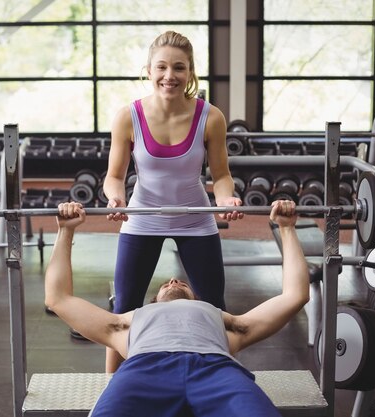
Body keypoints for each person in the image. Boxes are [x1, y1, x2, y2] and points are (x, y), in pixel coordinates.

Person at [44, 201, 309, 417]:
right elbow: (57, 299)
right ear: (154, 303)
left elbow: (295, 296)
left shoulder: (225, 322)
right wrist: (65, 230)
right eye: (166, 284)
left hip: (216, 370)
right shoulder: (126, 323)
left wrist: (287, 229)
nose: (173, 281)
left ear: (196, 300)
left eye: (180, 282)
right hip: (144, 370)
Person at [103, 30, 243, 372]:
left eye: (179, 68)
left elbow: (221, 175)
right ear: (148, 71)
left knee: (214, 307)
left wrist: (227, 198)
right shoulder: (127, 116)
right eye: (161, 67)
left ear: (190, 72)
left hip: (195, 218)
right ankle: (110, 386)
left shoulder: (210, 117)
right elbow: (114, 175)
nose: (170, 76)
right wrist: (116, 197)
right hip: (142, 218)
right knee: (125, 308)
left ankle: (224, 378)